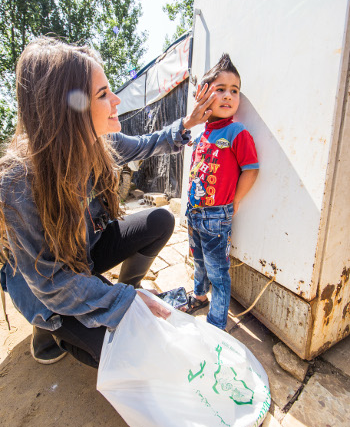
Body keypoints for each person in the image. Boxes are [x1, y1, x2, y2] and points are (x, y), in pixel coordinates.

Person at [0, 36, 214, 368]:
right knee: (123, 354)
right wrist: (125, 303)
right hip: (46, 287)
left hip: (84, 254)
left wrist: (188, 124)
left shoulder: (102, 141)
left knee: (160, 220)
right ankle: (48, 331)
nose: (116, 100)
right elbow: (49, 282)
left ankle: (124, 294)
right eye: (103, 94)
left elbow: (146, 143)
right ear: (67, 109)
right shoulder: (17, 181)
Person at [184, 54, 259, 330]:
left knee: (218, 272)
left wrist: (236, 200)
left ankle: (216, 324)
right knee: (199, 261)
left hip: (217, 216)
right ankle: (199, 296)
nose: (228, 96)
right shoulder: (202, 133)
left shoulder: (237, 132)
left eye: (235, 91)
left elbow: (251, 169)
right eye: (221, 89)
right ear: (204, 94)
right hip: (195, 213)